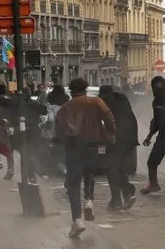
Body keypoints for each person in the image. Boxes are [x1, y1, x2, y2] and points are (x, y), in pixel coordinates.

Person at [55, 78, 115, 238]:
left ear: (72, 91)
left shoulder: (66, 107)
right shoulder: (96, 102)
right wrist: (110, 133)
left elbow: (59, 128)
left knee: (74, 183)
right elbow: (108, 116)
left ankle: (77, 220)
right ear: (86, 89)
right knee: (89, 174)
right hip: (92, 145)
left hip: (73, 147)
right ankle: (89, 200)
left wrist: (62, 141)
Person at [99, 85, 138, 211]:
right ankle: (125, 194)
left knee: (112, 168)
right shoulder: (123, 99)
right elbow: (131, 117)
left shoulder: (102, 101)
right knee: (118, 167)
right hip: (129, 137)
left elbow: (103, 120)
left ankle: (119, 198)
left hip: (116, 138)